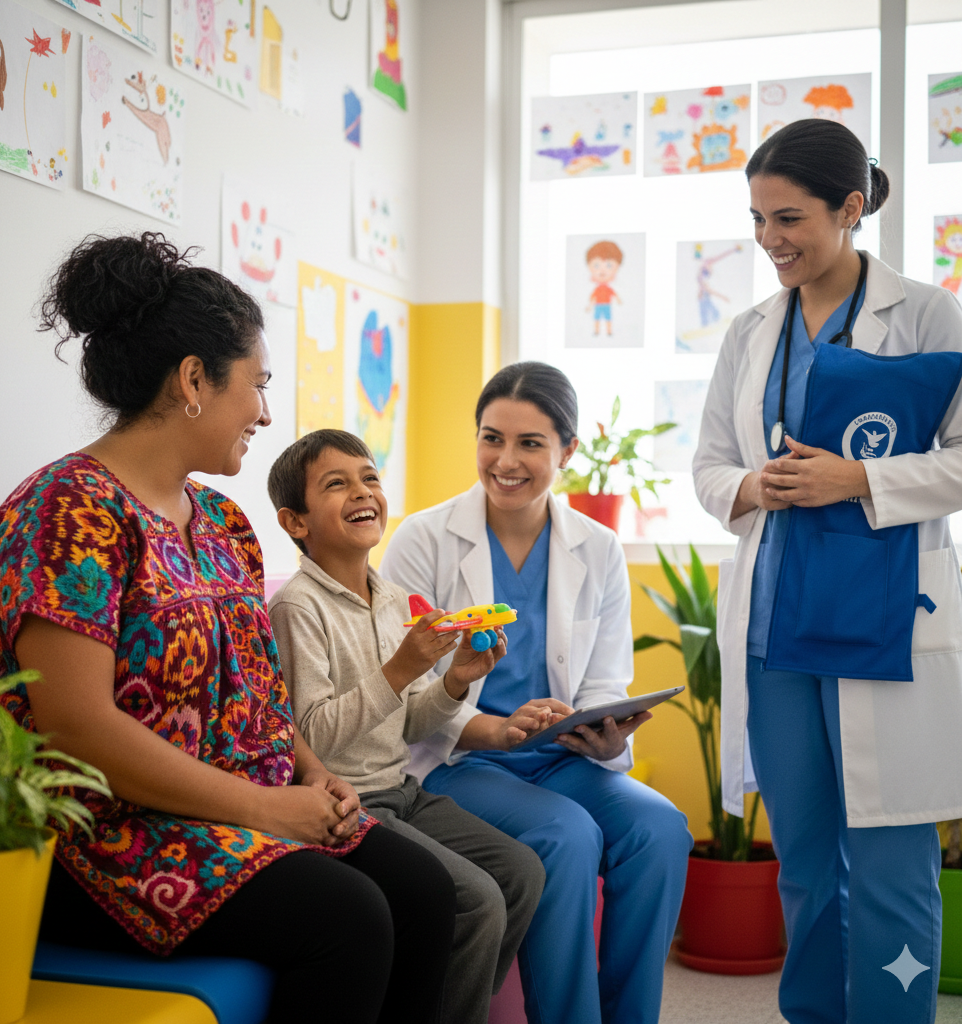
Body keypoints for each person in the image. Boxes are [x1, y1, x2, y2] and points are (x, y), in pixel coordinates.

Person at [0, 233, 457, 1024]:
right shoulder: (66, 510)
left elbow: (258, 693)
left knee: (425, 892)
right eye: (258, 386)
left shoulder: (224, 521)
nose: (266, 413)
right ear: (194, 380)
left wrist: (310, 775)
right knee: (351, 917)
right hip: (106, 834)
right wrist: (263, 810)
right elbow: (73, 727)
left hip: (236, 804)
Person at [693, 118, 962, 1024]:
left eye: (790, 218)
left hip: (884, 621)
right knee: (805, 864)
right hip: (776, 630)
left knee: (889, 864)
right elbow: (708, 468)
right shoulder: (749, 331)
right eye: (759, 218)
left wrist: (861, 479)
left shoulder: (925, 313)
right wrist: (753, 486)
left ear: (851, 209)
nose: (771, 240)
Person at [381, 361, 693, 1024]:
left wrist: (605, 730)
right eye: (491, 438)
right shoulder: (422, 539)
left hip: (560, 755)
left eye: (530, 444)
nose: (506, 460)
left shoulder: (599, 547)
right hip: (458, 759)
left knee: (662, 828)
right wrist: (489, 728)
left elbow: (606, 677)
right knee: (566, 835)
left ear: (567, 451)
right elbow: (406, 685)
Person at [265, 428, 546, 1024]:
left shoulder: (394, 599)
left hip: (402, 791)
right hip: (348, 802)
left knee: (521, 873)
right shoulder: (297, 607)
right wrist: (399, 670)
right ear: (296, 522)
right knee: (476, 902)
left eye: (369, 477)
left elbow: (412, 722)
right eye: (336, 484)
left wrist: (452, 682)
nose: (362, 491)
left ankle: (442, 1003)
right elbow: (309, 737)